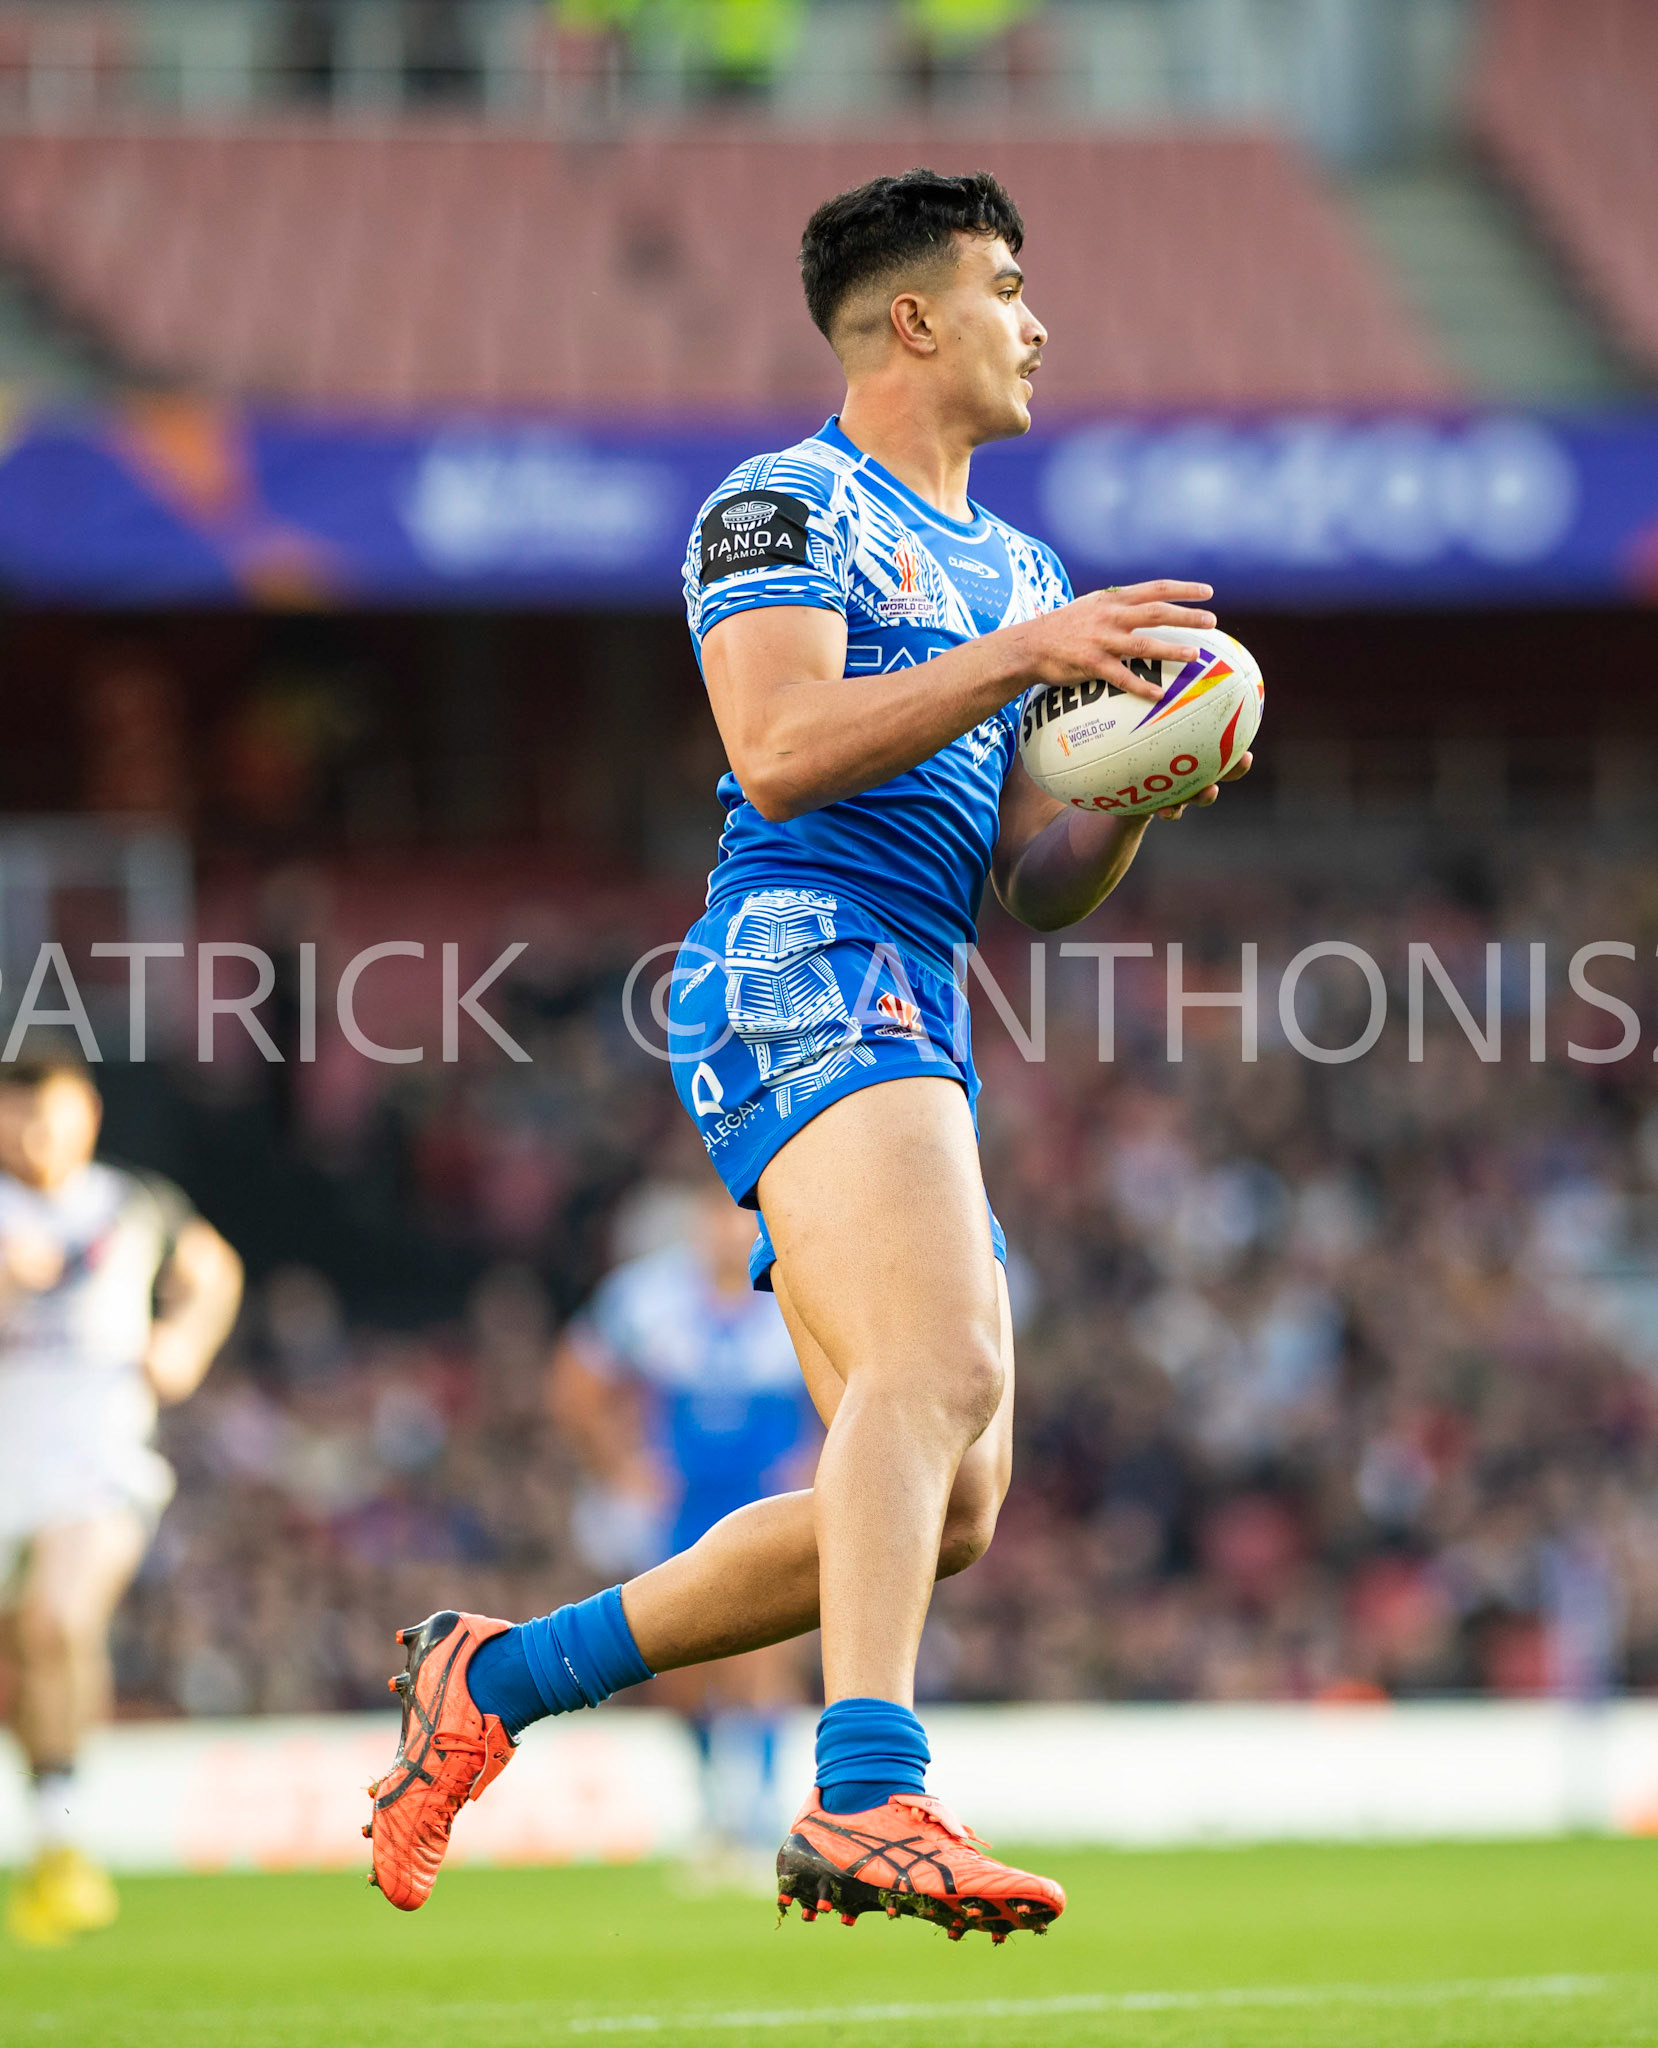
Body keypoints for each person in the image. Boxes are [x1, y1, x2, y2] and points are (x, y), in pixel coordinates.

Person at [366, 166, 1249, 1940]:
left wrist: (1144, 786)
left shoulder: (1019, 563)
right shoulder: (780, 508)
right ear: (910, 317)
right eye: (1007, 285)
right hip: (798, 954)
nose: (1037, 319)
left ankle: (497, 1673)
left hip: (918, 980)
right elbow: (773, 750)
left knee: (947, 1496)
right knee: (927, 1367)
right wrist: (1020, 659)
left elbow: (1032, 880)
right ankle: (864, 1793)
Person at [0, 1046, 242, 1946]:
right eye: (18, 1114)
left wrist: (182, 1339)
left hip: (101, 1459)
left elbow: (213, 1272)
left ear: (87, 1116)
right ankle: (46, 1833)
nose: (35, 1133)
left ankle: (65, 1844)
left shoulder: (132, 1202)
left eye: (51, 1113)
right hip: (7, 1464)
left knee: (58, 1621)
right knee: (26, 1649)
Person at [548, 1176, 818, 1881]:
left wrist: (822, 1459)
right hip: (683, 1504)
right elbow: (577, 1381)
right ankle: (713, 1810)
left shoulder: (803, 1283)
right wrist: (620, 1466)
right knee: (678, 1666)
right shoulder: (647, 1297)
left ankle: (757, 1817)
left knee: (764, 1659)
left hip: (770, 1495)